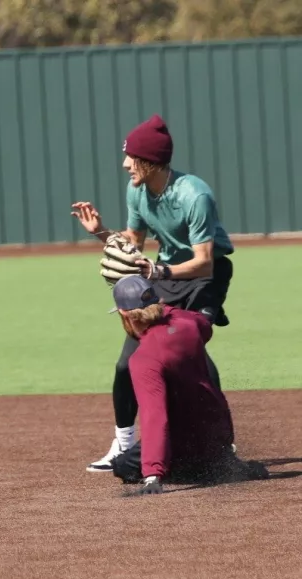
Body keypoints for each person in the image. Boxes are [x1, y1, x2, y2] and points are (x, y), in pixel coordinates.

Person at [71, 114, 236, 472]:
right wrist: (101, 232)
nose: (125, 164)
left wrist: (158, 271)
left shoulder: (194, 195)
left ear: (151, 160)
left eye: (131, 157)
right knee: (126, 362)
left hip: (205, 276)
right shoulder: (137, 190)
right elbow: (134, 243)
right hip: (164, 274)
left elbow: (204, 262)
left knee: (191, 350)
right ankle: (123, 442)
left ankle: (222, 444)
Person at [105, 275, 265, 494]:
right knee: (201, 442)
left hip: (182, 440)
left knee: (122, 466)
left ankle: (193, 470)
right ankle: (221, 463)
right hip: (218, 432)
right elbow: (204, 327)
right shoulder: (190, 322)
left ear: (124, 314)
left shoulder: (144, 359)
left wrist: (152, 474)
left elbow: (155, 416)